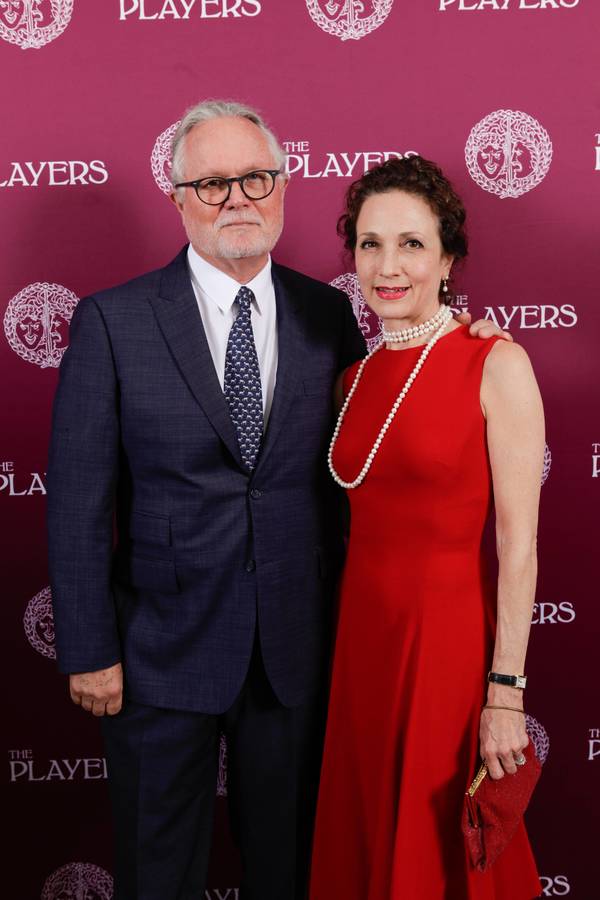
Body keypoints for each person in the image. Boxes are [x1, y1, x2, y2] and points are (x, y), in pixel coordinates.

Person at [47, 101, 508, 900]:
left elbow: (379, 446)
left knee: (292, 872)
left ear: (284, 187)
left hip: (298, 655)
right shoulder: (113, 322)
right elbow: (79, 502)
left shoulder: (329, 315)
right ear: (178, 195)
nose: (238, 200)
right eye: (214, 182)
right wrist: (90, 647)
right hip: (158, 655)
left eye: (256, 178)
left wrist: (462, 343)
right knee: (158, 875)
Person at [309, 156, 544, 900]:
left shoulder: (494, 361)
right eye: (371, 244)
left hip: (444, 648)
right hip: (360, 647)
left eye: (411, 244)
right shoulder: (353, 379)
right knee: (369, 833)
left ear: (447, 258)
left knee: (438, 851)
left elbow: (519, 547)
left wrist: (505, 693)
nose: (388, 265)